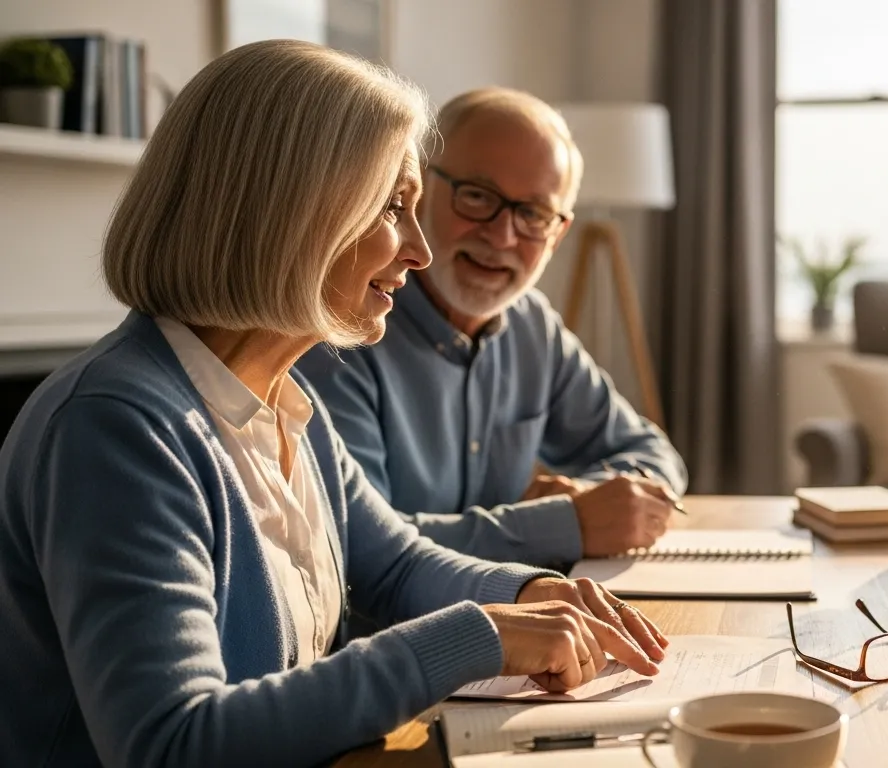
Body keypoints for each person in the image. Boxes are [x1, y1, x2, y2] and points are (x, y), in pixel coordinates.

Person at [0, 41, 666, 768]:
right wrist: (479, 636)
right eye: (392, 207)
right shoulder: (116, 427)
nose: (419, 249)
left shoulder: (285, 396)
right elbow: (171, 742)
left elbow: (397, 566)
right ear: (287, 209)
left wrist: (535, 591)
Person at [296, 86, 687, 570]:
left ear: (558, 233)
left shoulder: (532, 325)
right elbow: (359, 548)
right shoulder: (346, 327)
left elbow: (651, 453)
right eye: (477, 197)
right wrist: (566, 525)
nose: (501, 236)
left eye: (533, 215)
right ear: (419, 192)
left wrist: (593, 502)